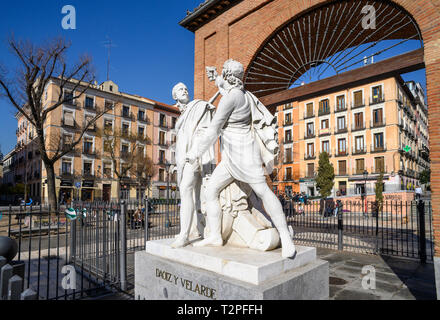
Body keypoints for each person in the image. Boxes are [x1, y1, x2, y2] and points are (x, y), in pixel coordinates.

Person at [186, 59, 296, 258]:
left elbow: (213, 130)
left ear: (229, 76)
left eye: (223, 74)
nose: (222, 78)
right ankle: (216, 236)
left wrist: (193, 153)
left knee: (263, 191)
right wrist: (216, 79)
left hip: (244, 154)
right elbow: (223, 85)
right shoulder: (242, 94)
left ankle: (286, 238)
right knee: (211, 191)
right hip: (229, 158)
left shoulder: (231, 99)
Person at [170, 82, 215, 248]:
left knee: (187, 189)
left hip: (194, 156)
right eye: (181, 89)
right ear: (175, 96)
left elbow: (205, 131)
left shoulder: (198, 106)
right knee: (193, 194)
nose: (185, 90)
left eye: (186, 88)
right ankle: (194, 230)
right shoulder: (182, 116)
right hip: (182, 159)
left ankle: (184, 235)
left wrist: (194, 151)